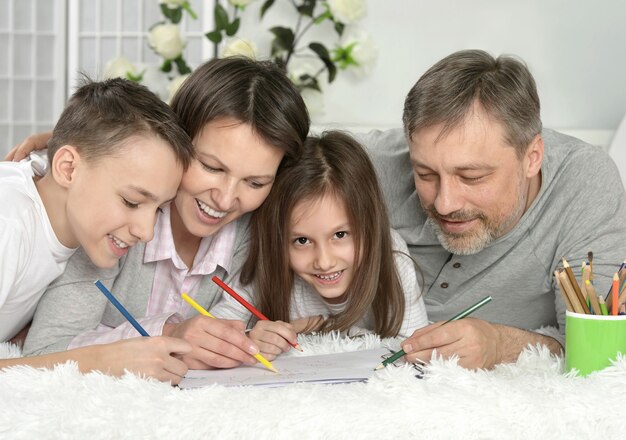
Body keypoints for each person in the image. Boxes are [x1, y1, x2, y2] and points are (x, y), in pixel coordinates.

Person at [17, 57, 310, 370]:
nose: (225, 199)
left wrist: (245, 339)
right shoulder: (115, 218)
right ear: (177, 138)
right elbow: (45, 350)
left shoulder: (254, 231)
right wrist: (169, 335)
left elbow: (344, 161)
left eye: (255, 182)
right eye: (211, 167)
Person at [356, 49, 626, 369]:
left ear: (532, 157)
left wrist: (501, 345)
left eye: (472, 177)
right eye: (425, 174)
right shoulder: (365, 165)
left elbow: (601, 347)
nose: (445, 203)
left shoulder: (584, 183)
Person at [0, 77, 195, 383]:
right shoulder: (9, 223)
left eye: (158, 209)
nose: (147, 232)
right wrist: (100, 359)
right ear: (68, 169)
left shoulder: (65, 195)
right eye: (132, 202)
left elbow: (90, 152)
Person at [212, 131, 428, 360]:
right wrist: (249, 339)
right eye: (302, 240)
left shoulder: (392, 255)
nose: (324, 262)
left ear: (370, 225)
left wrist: (320, 326)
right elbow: (214, 335)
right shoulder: (267, 260)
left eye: (340, 234)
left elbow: (415, 350)